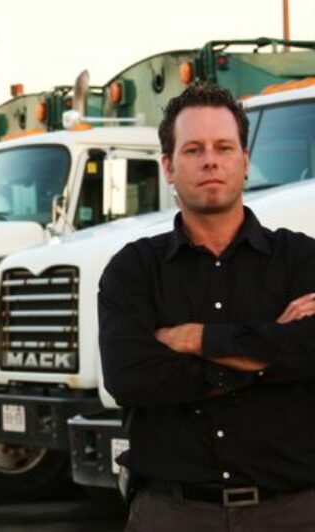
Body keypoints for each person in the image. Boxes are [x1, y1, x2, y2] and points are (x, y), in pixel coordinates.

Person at [98, 84, 315, 530]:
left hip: (293, 513)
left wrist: (196, 338)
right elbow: (131, 378)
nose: (210, 160)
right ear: (168, 167)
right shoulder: (134, 269)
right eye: (193, 149)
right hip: (169, 513)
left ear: (244, 162)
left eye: (224, 147)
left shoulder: (303, 260)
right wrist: (269, 352)